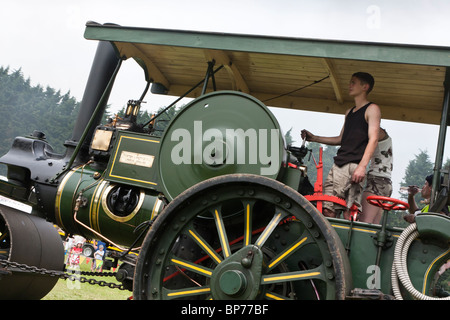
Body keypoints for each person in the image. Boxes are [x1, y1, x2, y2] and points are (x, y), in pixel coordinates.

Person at [301, 72, 381, 219]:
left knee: (349, 211)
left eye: (353, 82)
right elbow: (341, 139)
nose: (349, 85)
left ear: (365, 87)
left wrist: (362, 167)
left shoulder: (372, 109)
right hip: (338, 165)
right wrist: (315, 138)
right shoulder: (349, 112)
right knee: (327, 210)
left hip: (353, 166)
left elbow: (373, 139)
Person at [360, 128, 393, 224]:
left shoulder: (377, 132)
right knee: (374, 224)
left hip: (376, 180)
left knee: (365, 222)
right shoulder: (385, 138)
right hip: (386, 182)